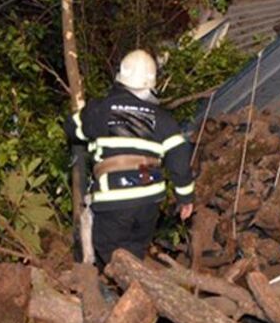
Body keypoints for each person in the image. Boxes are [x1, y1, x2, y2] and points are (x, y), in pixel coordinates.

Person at [64, 49, 194, 265]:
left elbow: (72, 128)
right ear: (151, 84)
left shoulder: (100, 109)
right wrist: (185, 198)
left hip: (113, 199)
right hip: (149, 201)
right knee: (134, 253)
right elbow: (179, 160)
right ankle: (133, 287)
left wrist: (86, 118)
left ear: (120, 78)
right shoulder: (163, 118)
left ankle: (113, 291)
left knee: (103, 252)